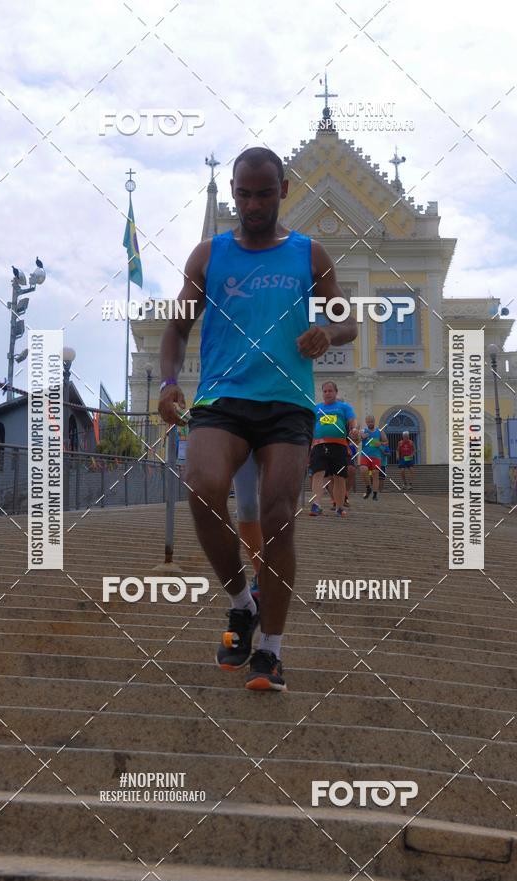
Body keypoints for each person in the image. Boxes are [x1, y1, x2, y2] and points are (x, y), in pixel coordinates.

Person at [158, 146, 357, 691]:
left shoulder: (309, 255)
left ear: (283, 190)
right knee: (201, 489)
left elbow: (348, 322)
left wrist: (328, 333)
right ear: (234, 193)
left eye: (264, 193)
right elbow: (176, 330)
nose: (252, 204)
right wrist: (170, 383)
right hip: (223, 399)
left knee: (277, 516)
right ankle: (242, 603)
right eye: (243, 194)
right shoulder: (208, 256)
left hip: (288, 402)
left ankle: (271, 647)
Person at [309, 381, 358, 518]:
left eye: (330, 391)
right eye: (325, 391)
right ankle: (316, 505)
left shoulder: (343, 407)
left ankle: (339, 506)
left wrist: (354, 429)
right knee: (318, 473)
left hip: (339, 445)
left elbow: (352, 420)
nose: (327, 393)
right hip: (319, 445)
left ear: (336, 392)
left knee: (339, 477)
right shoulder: (316, 408)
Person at [233, 452, 262, 598]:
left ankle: (268, 575)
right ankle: (260, 573)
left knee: (278, 509)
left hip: (284, 433)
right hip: (242, 436)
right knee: (246, 507)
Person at [360, 415, 388, 502]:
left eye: (371, 421)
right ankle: (368, 487)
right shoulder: (363, 430)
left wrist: (379, 443)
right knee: (363, 469)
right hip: (365, 455)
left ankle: (375, 494)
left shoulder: (379, 431)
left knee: (375, 474)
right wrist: (362, 436)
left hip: (376, 456)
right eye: (368, 422)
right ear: (366, 422)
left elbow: (386, 442)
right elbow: (357, 437)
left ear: (374, 421)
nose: (370, 423)